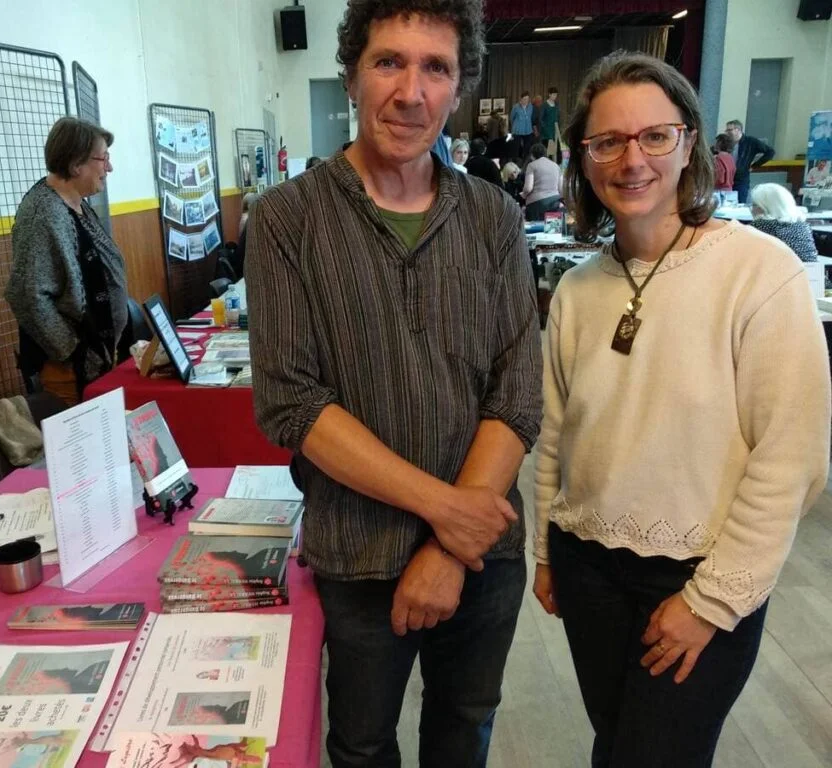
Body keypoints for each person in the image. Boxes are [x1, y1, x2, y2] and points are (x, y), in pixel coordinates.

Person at [245, 0, 542, 765]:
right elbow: (292, 400)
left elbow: (516, 392)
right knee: (363, 744)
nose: (411, 92)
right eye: (389, 62)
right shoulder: (286, 220)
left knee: (463, 728)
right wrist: (448, 510)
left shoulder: (494, 219)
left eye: (435, 68)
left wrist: (451, 546)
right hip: (361, 556)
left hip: (482, 559)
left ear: (458, 87)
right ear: (351, 76)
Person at [535, 51, 830, 767]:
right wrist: (545, 549)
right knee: (618, 742)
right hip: (587, 565)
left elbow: (789, 460)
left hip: (700, 570)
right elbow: (554, 439)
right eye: (607, 141)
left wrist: (710, 602)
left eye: (654, 136)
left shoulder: (758, 273)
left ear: (689, 140)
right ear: (583, 157)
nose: (631, 160)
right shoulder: (577, 290)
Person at [5, 117, 128, 406]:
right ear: (76, 165)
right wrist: (73, 351)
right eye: (103, 159)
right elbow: (26, 295)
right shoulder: (44, 213)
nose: (108, 168)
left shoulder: (76, 204)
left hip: (95, 360)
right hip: (69, 371)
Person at [750, 183, 819, 261]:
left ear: (764, 207)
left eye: (754, 205)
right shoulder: (802, 225)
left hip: (782, 271)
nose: (752, 209)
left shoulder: (760, 225)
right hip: (810, 270)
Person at [724, 119, 775, 204]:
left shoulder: (750, 142)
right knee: (726, 204)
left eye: (730, 130)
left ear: (738, 130)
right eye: (727, 130)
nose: (727, 133)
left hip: (741, 179)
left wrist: (755, 165)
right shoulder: (726, 142)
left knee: (740, 203)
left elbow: (770, 152)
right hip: (727, 178)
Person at [521, 142, 563, 220]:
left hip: (536, 204)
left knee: (536, 229)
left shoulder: (531, 165)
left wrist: (524, 195)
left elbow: (528, 188)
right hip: (554, 202)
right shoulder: (556, 166)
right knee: (552, 229)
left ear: (532, 155)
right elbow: (561, 189)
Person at [510, 91, 534, 160]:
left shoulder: (530, 106)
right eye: (524, 99)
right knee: (517, 146)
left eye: (527, 99)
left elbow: (530, 117)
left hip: (528, 130)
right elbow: (512, 118)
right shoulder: (516, 107)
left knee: (527, 146)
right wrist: (515, 126)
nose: (526, 101)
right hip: (518, 130)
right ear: (521, 99)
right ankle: (518, 159)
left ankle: (525, 159)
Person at [540, 87, 561, 161]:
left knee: (555, 151)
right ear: (549, 94)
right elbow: (541, 119)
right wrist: (546, 131)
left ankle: (555, 167)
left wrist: (558, 129)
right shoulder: (544, 105)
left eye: (556, 95)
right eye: (553, 95)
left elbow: (557, 117)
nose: (555, 96)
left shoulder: (557, 104)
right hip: (547, 132)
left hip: (555, 130)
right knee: (548, 152)